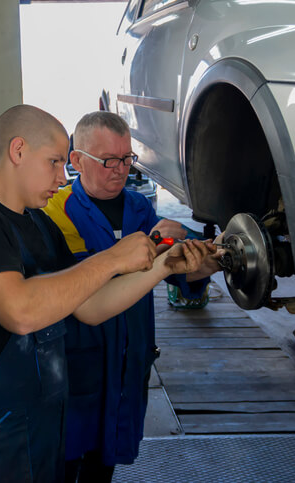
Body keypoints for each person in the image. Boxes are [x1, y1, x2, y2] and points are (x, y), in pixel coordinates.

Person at [0, 104, 217, 482]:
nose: (62, 175)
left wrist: (166, 266)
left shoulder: (40, 224)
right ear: (18, 151)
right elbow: (20, 311)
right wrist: (113, 258)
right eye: (53, 162)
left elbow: (92, 306)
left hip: (45, 423)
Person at [42, 111, 221, 481]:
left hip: (126, 363)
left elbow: (177, 275)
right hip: (79, 368)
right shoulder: (56, 215)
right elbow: (81, 293)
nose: (120, 170)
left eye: (127, 159)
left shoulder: (140, 208)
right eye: (108, 160)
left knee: (105, 462)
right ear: (76, 160)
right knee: (63, 460)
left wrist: (206, 262)